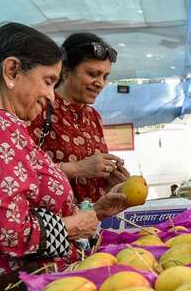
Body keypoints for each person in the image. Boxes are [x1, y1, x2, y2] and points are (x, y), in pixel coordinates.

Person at [0, 22, 128, 280]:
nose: (51, 96)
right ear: (12, 71)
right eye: (48, 81)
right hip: (11, 289)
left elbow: (29, 209)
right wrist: (73, 226)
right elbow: (7, 230)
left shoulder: (0, 125)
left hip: (30, 281)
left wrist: (95, 211)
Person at [29, 32, 128, 204]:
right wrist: (78, 168)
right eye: (92, 74)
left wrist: (110, 183)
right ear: (66, 71)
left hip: (90, 222)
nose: (100, 83)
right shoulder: (38, 108)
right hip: (54, 225)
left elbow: (91, 184)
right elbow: (18, 169)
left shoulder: (93, 117)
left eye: (105, 76)